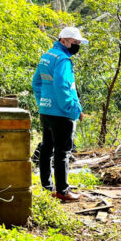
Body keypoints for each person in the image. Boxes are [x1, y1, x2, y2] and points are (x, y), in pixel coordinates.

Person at [32, 26, 87, 203]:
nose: (77, 46)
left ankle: (47, 187)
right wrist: (74, 110)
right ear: (64, 40)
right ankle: (63, 191)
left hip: (46, 111)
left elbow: (36, 83)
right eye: (75, 42)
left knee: (47, 149)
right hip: (62, 113)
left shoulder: (47, 56)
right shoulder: (63, 60)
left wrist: (43, 102)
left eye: (79, 43)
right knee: (62, 152)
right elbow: (63, 87)